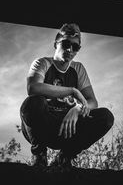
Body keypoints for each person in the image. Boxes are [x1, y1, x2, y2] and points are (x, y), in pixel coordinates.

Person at [20, 23, 114, 171]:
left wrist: (78, 108)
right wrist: (72, 91)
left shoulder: (78, 69)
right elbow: (33, 88)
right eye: (66, 44)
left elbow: (92, 102)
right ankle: (40, 156)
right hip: (44, 125)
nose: (70, 50)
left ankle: (65, 157)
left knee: (105, 117)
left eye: (75, 47)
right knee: (32, 103)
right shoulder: (42, 63)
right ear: (56, 43)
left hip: (67, 127)